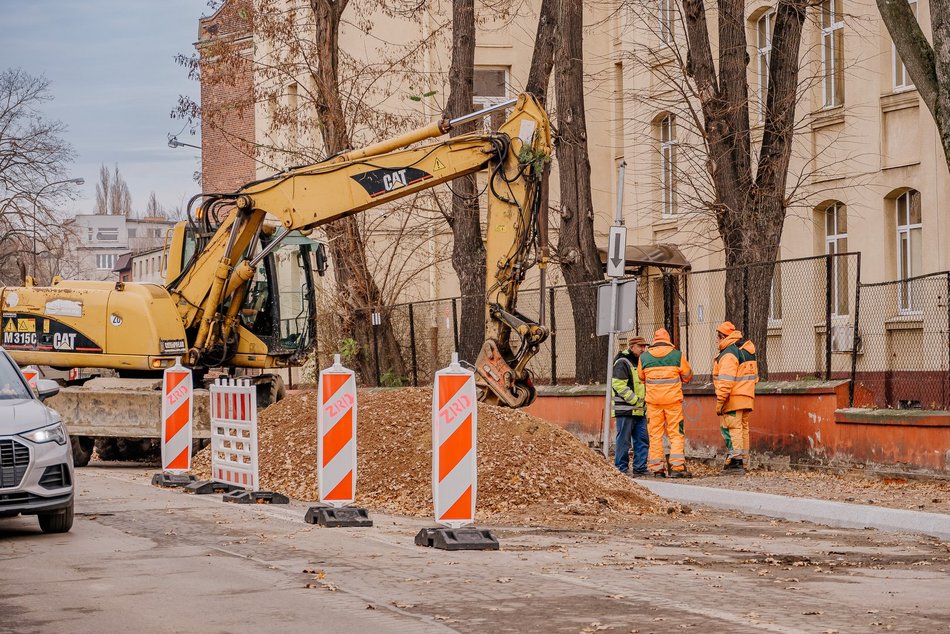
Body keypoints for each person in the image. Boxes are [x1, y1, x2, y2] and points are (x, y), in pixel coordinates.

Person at [637, 328, 693, 478]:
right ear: (668, 340)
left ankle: (657, 469)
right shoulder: (677, 355)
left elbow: (641, 378)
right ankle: (677, 467)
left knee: (655, 435)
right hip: (673, 402)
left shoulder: (644, 357)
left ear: (654, 340)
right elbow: (687, 376)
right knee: (676, 433)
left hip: (653, 402)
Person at [712, 321, 759, 473]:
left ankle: (735, 461)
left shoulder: (728, 354)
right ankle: (743, 461)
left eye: (718, 337)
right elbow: (755, 378)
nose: (716, 340)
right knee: (743, 429)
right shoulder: (747, 350)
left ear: (723, 337)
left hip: (732, 398)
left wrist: (720, 402)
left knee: (732, 428)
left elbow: (726, 382)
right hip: (747, 397)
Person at [611, 335, 648, 476]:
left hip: (639, 409)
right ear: (632, 347)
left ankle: (640, 468)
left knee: (642, 440)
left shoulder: (639, 362)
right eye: (640, 346)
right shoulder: (623, 362)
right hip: (626, 409)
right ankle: (621, 468)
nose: (643, 349)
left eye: (644, 346)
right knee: (624, 441)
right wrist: (635, 400)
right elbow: (618, 385)